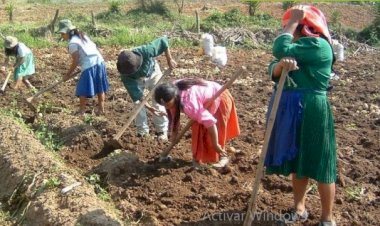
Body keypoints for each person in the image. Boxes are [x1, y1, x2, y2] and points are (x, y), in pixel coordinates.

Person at [264, 5, 337, 226]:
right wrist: (278, 67)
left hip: (312, 108)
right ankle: (299, 208)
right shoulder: (299, 47)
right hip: (292, 107)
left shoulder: (319, 45)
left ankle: (327, 218)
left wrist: (294, 18)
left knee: (322, 161)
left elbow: (279, 47)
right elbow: (273, 66)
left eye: (291, 26)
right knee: (297, 160)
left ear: (305, 28)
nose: (288, 30)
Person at [154, 79, 240, 168]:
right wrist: (174, 135)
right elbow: (174, 115)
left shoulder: (189, 105)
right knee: (198, 129)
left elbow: (211, 123)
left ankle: (223, 156)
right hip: (203, 99)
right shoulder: (170, 90)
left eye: (167, 105)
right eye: (164, 105)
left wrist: (215, 144)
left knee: (214, 131)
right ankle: (198, 159)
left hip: (219, 96)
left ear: (174, 97)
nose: (166, 107)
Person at [116, 36, 177, 140]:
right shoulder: (125, 75)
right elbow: (137, 95)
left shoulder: (146, 50)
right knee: (138, 105)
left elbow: (163, 41)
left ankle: (162, 132)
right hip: (137, 81)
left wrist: (169, 59)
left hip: (153, 73)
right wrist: (149, 108)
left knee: (159, 101)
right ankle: (143, 134)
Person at [58, 19, 109, 115]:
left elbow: (76, 60)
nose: (62, 36)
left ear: (68, 32)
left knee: (82, 89)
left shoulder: (72, 43)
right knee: (100, 87)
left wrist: (68, 74)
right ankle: (101, 110)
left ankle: (81, 112)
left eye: (62, 34)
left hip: (89, 65)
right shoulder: (82, 36)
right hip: (100, 62)